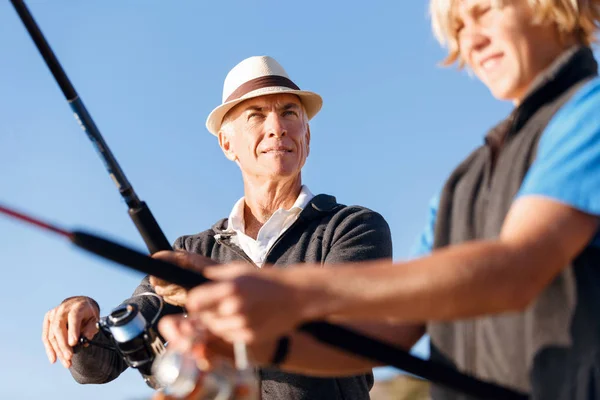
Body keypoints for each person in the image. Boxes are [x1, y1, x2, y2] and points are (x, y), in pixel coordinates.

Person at [156, 1, 600, 399]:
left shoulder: (591, 115)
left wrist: (286, 292)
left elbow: (516, 269)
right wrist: (254, 342)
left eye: (484, 11)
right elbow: (390, 329)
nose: (472, 39)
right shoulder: (464, 181)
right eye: (460, 25)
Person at [41, 55, 396, 400]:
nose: (277, 126)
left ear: (306, 135)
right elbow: (101, 365)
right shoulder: (191, 251)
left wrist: (213, 289)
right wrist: (83, 328)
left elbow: (340, 330)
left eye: (289, 112)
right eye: (256, 115)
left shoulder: (354, 227)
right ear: (228, 144)